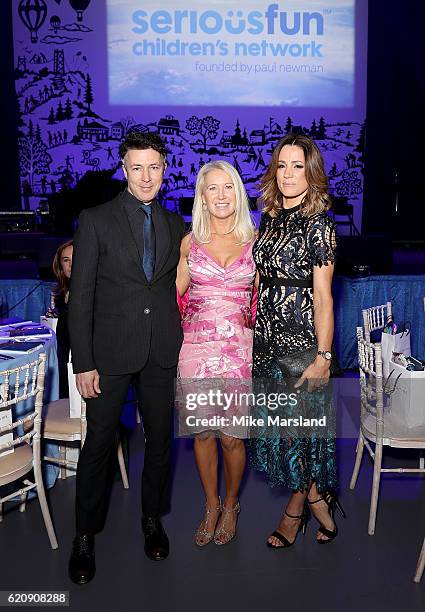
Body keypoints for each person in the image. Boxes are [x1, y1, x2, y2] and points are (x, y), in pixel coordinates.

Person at [67, 131, 186, 584]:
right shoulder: (96, 220)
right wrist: (84, 363)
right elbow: (80, 298)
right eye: (137, 167)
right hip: (110, 355)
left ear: (164, 168)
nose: (146, 176)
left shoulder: (176, 225)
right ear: (123, 168)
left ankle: (151, 520)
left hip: (160, 351)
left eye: (154, 166)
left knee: (158, 444)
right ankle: (84, 535)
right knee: (98, 445)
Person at [249, 133, 344, 549]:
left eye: (298, 166)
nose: (288, 174)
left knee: (296, 435)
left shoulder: (320, 224)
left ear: (312, 172)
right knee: (281, 433)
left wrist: (323, 357)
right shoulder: (268, 218)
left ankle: (295, 514)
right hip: (266, 344)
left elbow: (324, 297)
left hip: (302, 348)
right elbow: (259, 277)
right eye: (282, 165)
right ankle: (318, 499)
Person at [176, 160, 256, 546]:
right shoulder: (189, 243)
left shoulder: (256, 240)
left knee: (233, 438)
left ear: (238, 194)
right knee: (203, 433)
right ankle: (210, 504)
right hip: (195, 349)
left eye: (228, 188)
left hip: (240, 350)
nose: (221, 196)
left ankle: (231, 504)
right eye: (213, 189)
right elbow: (170, 296)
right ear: (202, 197)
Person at [49, 240, 73, 398]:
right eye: (66, 260)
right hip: (64, 355)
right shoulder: (62, 291)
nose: (71, 265)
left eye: (76, 259)